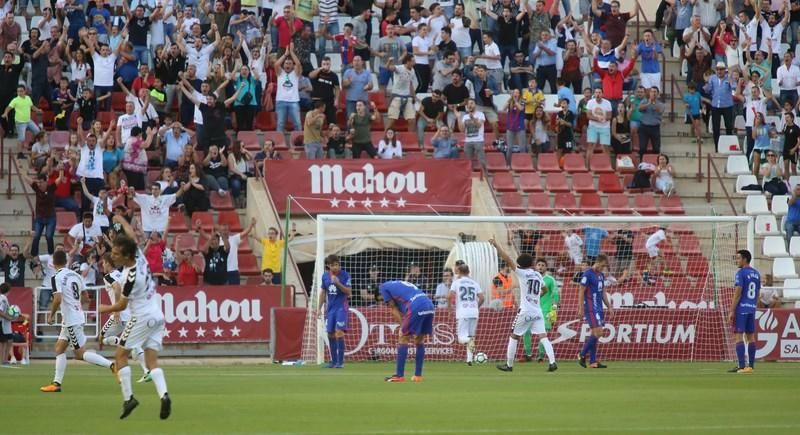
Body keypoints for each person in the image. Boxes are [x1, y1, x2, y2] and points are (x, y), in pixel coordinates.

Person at [101, 216, 171, 419]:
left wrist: (104, 308)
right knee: (152, 362)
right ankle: (164, 395)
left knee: (120, 355)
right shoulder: (139, 256)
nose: (113, 257)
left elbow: (122, 305)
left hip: (141, 317)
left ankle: (128, 398)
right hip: (157, 315)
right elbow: (131, 233)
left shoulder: (127, 278)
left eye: (115, 254)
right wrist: (121, 219)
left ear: (125, 255)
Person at [39, 250, 115, 393]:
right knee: (59, 348)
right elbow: (86, 297)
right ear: (66, 261)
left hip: (71, 320)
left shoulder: (56, 277)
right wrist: (73, 302)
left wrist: (51, 315)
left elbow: (58, 298)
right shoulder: (76, 275)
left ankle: (112, 366)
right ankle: (56, 383)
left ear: (53, 263)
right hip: (75, 316)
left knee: (79, 354)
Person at [489, 236, 557, 373]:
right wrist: (535, 298)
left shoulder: (521, 273)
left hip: (525, 310)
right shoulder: (538, 275)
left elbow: (508, 258)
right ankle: (552, 362)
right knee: (543, 336)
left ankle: (509, 365)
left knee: (514, 336)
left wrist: (496, 245)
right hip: (537, 310)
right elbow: (544, 290)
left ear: (519, 265)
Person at [98, 254, 149, 382]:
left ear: (108, 263)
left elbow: (117, 288)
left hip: (120, 314)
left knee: (102, 338)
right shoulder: (121, 275)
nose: (102, 266)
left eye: (103, 263)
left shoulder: (108, 277)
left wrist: (116, 310)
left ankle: (121, 343)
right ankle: (147, 371)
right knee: (134, 343)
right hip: (130, 313)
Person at [379, 280, 435, 382]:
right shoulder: (398, 285)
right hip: (429, 304)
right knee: (419, 339)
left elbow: (393, 309)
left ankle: (399, 375)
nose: (384, 302)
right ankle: (418, 376)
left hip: (416, 305)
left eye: (382, 300)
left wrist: (402, 326)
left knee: (403, 336)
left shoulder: (383, 287)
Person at [577, 254, 613, 369]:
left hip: (599, 307)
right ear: (598, 262)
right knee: (599, 333)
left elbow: (603, 293)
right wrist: (580, 309)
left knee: (595, 334)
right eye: (602, 265)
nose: (603, 268)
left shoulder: (601, 275)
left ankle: (593, 361)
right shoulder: (587, 274)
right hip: (590, 307)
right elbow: (581, 291)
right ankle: (581, 354)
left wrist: (609, 306)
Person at [729, 249, 761, 374]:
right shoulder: (756, 273)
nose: (737, 261)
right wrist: (753, 305)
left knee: (738, 336)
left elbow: (738, 292)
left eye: (738, 258)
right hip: (751, 308)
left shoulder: (740, 273)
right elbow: (757, 293)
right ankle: (751, 366)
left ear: (745, 259)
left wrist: (732, 310)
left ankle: (742, 366)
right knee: (750, 336)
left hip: (741, 308)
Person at [523, 258, 559, 363]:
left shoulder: (550, 279)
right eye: (539, 265)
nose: (540, 267)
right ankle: (528, 354)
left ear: (546, 267)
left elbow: (555, 293)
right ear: (535, 266)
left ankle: (541, 356)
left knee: (543, 334)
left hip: (545, 309)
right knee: (526, 331)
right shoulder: (531, 278)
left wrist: (554, 308)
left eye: (543, 265)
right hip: (531, 308)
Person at [319, 254, 352, 369]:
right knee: (330, 334)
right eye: (333, 265)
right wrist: (319, 308)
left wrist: (338, 283)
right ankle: (333, 361)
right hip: (330, 308)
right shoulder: (324, 276)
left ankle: (340, 362)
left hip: (341, 308)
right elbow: (323, 292)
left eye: (337, 264)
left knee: (339, 333)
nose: (336, 267)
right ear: (328, 266)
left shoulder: (345, 275)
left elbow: (349, 292)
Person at [449, 262, 484, 366]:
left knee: (461, 338)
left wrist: (449, 308)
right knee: (471, 336)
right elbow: (482, 298)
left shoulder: (457, 282)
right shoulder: (474, 283)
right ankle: (469, 360)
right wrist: (475, 307)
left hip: (463, 313)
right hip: (474, 312)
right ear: (469, 272)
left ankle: (469, 347)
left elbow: (449, 296)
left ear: (459, 271)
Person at [0, 282, 20, 365]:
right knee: (3, 342)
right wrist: (9, 318)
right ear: (8, 290)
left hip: (6, 324)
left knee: (9, 340)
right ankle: (2, 360)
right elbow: (0, 311)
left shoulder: (4, 298)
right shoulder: (2, 299)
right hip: (2, 323)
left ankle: (5, 359)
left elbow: (7, 310)